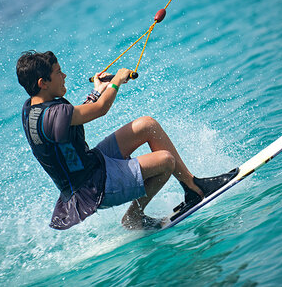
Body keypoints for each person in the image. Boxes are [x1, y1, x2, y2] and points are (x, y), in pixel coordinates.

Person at [17, 50, 234, 230]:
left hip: (92, 164)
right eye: (58, 72)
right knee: (166, 161)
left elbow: (75, 116)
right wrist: (116, 82)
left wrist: (97, 92)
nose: (64, 76)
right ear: (43, 83)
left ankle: (192, 186)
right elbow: (100, 110)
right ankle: (134, 217)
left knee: (147, 125)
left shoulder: (32, 109)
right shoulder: (56, 113)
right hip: (93, 187)